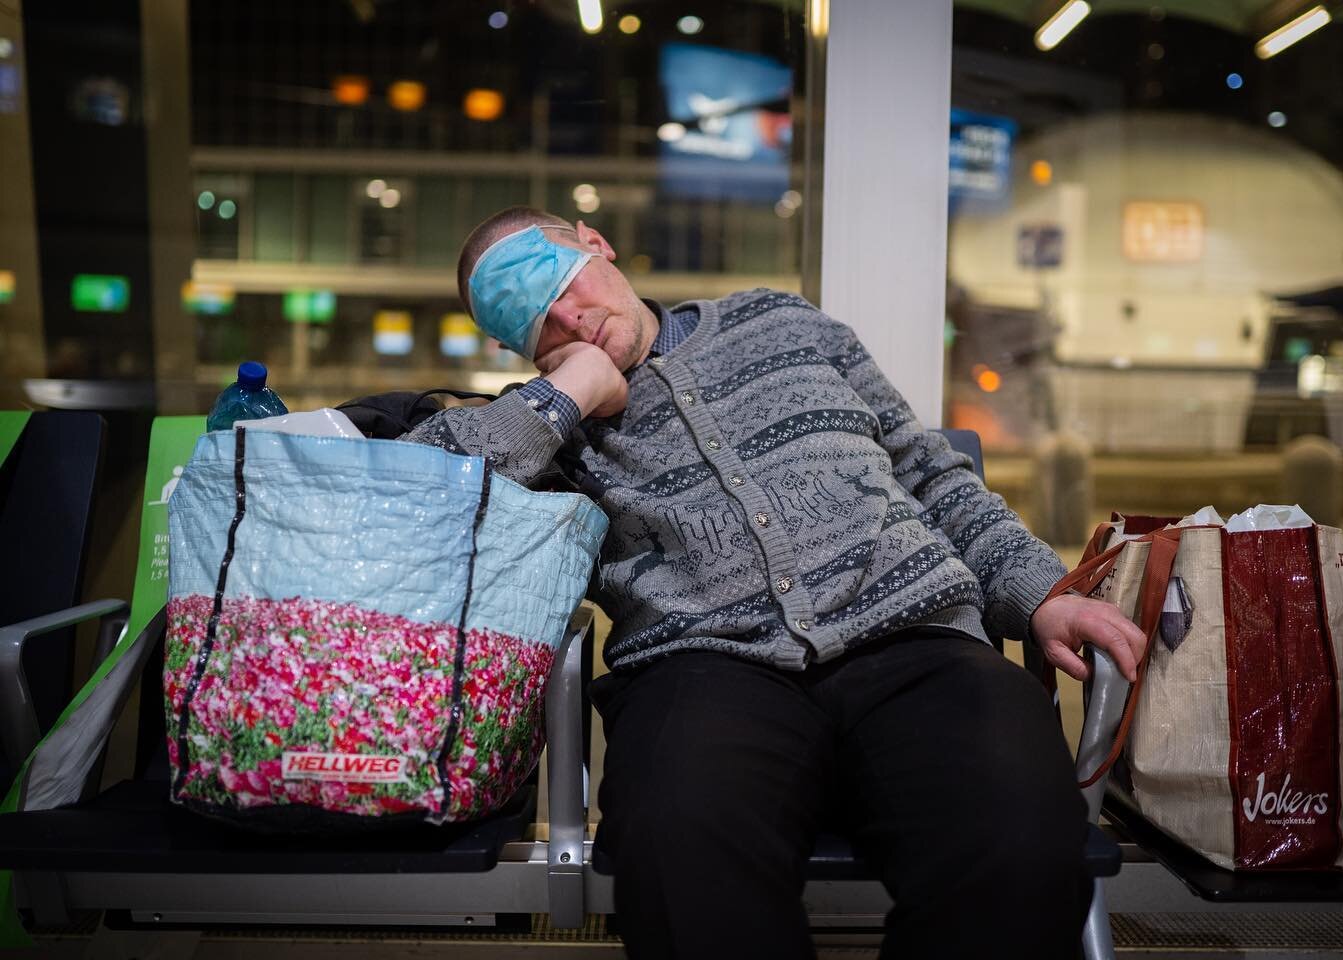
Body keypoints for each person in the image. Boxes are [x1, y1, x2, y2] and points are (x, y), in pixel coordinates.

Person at [402, 206, 1146, 959]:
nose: (567, 316)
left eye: (562, 280)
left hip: (914, 640)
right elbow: (423, 496)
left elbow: (930, 475)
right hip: (699, 669)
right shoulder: (554, 422)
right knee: (676, 857)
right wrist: (568, 394)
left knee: (1022, 844)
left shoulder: (782, 322)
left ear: (598, 245)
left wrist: (1046, 594)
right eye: (532, 320)